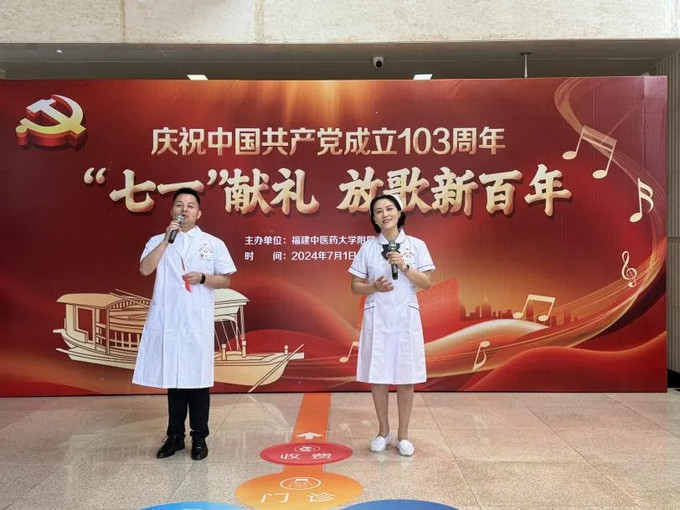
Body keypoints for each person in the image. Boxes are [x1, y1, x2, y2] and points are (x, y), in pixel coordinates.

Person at [132, 188, 236, 461]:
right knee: (175, 380)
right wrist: (166, 241)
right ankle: (175, 437)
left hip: (196, 321)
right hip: (169, 321)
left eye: (190, 205)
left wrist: (203, 278)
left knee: (198, 382)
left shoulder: (212, 243)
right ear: (172, 211)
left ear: (199, 213)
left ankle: (199, 437)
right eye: (179, 204)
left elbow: (226, 279)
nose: (185, 209)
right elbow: (145, 269)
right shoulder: (158, 240)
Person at [348, 193, 435, 456]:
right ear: (374, 219)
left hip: (406, 318)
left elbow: (426, 282)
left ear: (399, 212)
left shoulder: (416, 245)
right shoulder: (367, 248)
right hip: (378, 318)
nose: (385, 214)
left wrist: (404, 266)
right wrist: (373, 287)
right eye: (378, 211)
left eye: (389, 209)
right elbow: (355, 286)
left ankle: (403, 435)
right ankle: (383, 431)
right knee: (379, 375)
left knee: (406, 376)